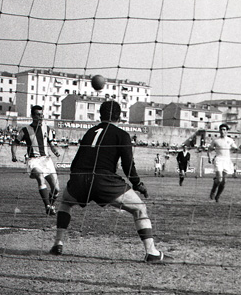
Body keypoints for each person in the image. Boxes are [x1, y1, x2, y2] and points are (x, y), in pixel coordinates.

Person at [49, 100, 164, 263]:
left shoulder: (90, 132)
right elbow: (128, 165)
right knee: (139, 209)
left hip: (80, 178)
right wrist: (137, 184)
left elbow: (75, 162)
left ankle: (58, 244)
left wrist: (76, 182)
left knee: (65, 203)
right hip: (104, 180)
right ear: (119, 116)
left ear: (100, 115)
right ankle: (151, 252)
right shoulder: (122, 135)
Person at [11, 105, 61, 216]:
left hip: (46, 161)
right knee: (39, 176)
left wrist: (55, 151)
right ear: (32, 116)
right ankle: (47, 205)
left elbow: (51, 144)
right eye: (38, 115)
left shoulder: (47, 129)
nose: (41, 117)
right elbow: (15, 143)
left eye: (42, 114)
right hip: (33, 161)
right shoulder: (25, 130)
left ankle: (50, 206)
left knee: (56, 189)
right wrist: (14, 155)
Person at [207, 124, 238, 202]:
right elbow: (209, 149)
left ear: (227, 131)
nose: (222, 131)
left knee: (223, 182)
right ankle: (213, 190)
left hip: (227, 161)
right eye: (221, 129)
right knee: (220, 179)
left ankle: (218, 196)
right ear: (219, 130)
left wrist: (237, 149)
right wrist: (209, 157)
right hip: (218, 160)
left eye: (224, 129)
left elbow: (235, 148)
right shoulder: (216, 140)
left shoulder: (230, 140)